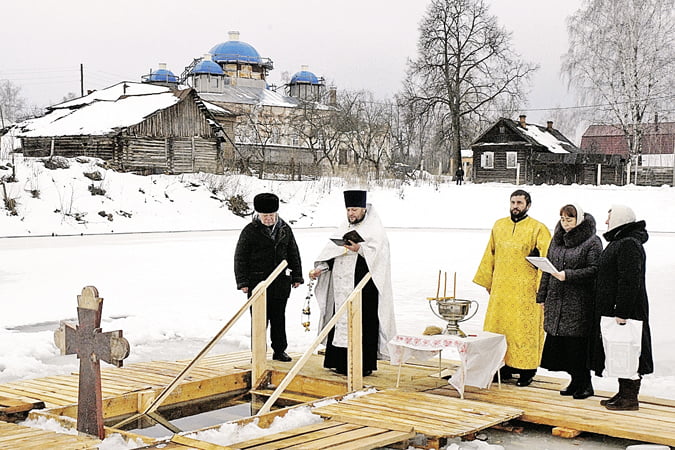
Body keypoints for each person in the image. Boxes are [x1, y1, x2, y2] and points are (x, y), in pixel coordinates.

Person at [308, 190, 396, 376]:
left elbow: (380, 257)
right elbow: (331, 253)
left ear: (363, 209)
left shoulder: (374, 229)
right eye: (348, 209)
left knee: (363, 323)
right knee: (339, 320)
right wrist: (321, 268)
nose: (351, 214)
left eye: (354, 209)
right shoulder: (343, 227)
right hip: (340, 289)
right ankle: (338, 362)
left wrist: (360, 249)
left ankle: (362, 365)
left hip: (363, 288)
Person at [473, 189, 551, 386]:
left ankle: (527, 370)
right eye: (513, 202)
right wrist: (488, 281)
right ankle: (503, 365)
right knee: (500, 328)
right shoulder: (499, 226)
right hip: (501, 288)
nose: (515, 206)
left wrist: (541, 289)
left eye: (520, 203)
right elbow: (489, 253)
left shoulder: (538, 228)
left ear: (528, 205)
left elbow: (547, 258)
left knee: (524, 330)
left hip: (526, 291)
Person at [589, 205, 653, 411]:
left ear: (620, 220)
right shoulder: (621, 241)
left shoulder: (628, 244)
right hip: (618, 308)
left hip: (628, 311)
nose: (606, 222)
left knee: (630, 349)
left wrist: (621, 311)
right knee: (619, 348)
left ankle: (630, 397)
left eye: (609, 218)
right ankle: (623, 392)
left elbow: (629, 280)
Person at [536, 204, 602, 399]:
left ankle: (585, 383)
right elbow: (548, 270)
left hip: (579, 301)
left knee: (577, 345)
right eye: (563, 219)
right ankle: (575, 380)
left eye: (569, 220)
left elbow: (595, 269)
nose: (565, 224)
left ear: (579, 220)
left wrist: (569, 275)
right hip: (557, 299)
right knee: (562, 344)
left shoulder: (592, 241)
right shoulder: (556, 241)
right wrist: (542, 296)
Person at [234, 193, 304, 362]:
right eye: (265, 216)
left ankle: (279, 350)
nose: (268, 219)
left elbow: (293, 252)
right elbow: (240, 257)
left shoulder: (285, 229)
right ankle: (257, 353)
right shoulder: (249, 231)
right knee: (259, 321)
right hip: (257, 283)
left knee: (279, 318)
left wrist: (297, 275)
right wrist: (242, 282)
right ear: (258, 214)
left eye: (271, 215)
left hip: (280, 283)